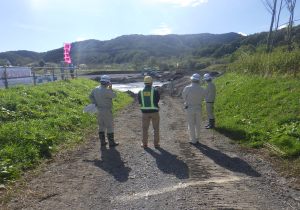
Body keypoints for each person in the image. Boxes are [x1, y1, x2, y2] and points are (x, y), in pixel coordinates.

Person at [89, 75, 119, 147]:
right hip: (106, 110)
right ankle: (111, 143)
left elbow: (90, 96)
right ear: (107, 83)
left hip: (98, 109)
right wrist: (111, 88)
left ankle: (102, 142)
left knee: (101, 125)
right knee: (109, 126)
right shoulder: (107, 91)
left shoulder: (95, 89)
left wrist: (95, 103)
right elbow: (114, 96)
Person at [182, 73, 206, 144]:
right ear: (199, 80)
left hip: (190, 107)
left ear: (192, 79)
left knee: (191, 124)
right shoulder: (202, 89)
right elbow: (203, 97)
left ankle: (193, 140)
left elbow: (183, 97)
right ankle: (197, 138)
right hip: (198, 107)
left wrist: (187, 101)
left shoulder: (187, 88)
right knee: (198, 124)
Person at [138, 76, 160, 148]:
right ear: (151, 82)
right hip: (154, 112)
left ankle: (144, 144)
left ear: (144, 83)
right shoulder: (155, 91)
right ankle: (156, 144)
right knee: (156, 128)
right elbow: (157, 100)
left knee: (145, 129)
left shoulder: (140, 92)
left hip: (144, 113)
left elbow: (140, 102)